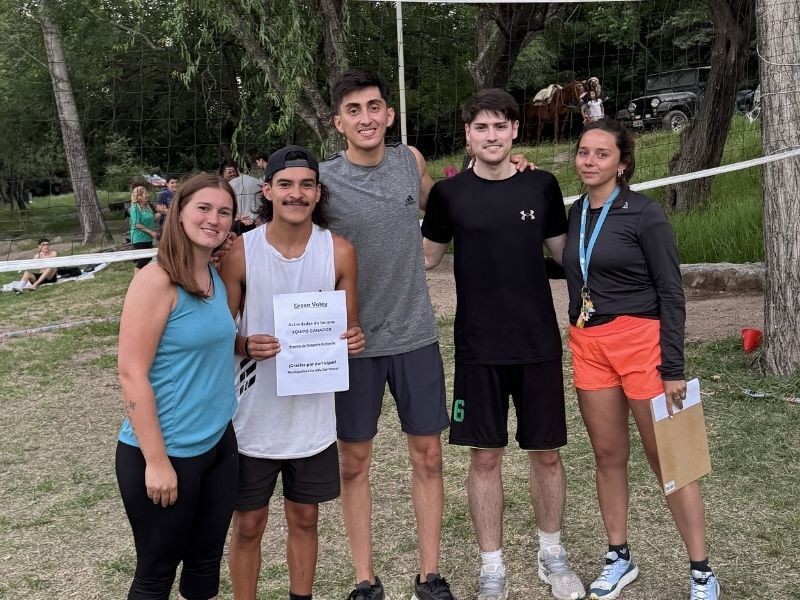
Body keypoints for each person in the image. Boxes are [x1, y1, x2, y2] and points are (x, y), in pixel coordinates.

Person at [321, 68, 533, 600]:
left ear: (389, 114)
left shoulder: (408, 162)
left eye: (374, 107)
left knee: (430, 457)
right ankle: (364, 580)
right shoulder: (321, 182)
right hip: (352, 344)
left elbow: (453, 201)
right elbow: (284, 231)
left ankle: (429, 576)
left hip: (415, 336)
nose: (365, 118)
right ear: (338, 122)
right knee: (354, 463)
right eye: (353, 110)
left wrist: (510, 170)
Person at [422, 88, 585, 600]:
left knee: (547, 455)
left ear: (515, 130)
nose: (491, 136)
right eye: (481, 127)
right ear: (467, 135)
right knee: (485, 458)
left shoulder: (541, 185)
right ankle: (492, 567)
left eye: (500, 126)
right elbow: (424, 257)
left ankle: (551, 554)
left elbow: (565, 255)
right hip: (478, 348)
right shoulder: (448, 195)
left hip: (537, 343)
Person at [564, 119, 720, 600]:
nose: (590, 161)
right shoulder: (576, 212)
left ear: (622, 164)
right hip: (588, 344)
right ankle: (619, 556)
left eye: (602, 154)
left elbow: (672, 293)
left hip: (642, 345)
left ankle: (701, 572)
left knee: (672, 459)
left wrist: (673, 368)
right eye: (584, 152)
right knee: (608, 455)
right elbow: (576, 265)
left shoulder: (645, 214)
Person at [219, 145, 365, 600]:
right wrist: (244, 344)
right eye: (285, 184)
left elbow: (349, 326)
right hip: (252, 418)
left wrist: (353, 339)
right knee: (248, 524)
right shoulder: (241, 252)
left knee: (305, 518)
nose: (296, 194)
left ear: (319, 193)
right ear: (267, 191)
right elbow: (219, 334)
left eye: (306, 185)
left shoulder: (339, 252)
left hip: (311, 416)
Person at [116, 172, 240, 600]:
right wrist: (156, 461)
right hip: (167, 452)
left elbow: (203, 342)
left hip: (218, 444)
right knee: (156, 574)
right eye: (203, 208)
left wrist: (246, 344)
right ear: (179, 213)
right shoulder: (155, 280)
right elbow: (131, 372)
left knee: (205, 564)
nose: (213, 219)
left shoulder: (212, 275)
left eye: (224, 212)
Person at [129, 185, 158, 272]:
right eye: (145, 193)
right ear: (139, 196)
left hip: (148, 238)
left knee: (148, 260)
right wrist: (151, 232)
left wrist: (164, 212)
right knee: (142, 262)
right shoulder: (135, 207)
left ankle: (144, 278)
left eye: (147, 193)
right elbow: (136, 224)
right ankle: (135, 279)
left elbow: (153, 218)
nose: (147, 195)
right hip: (139, 239)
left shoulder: (147, 206)